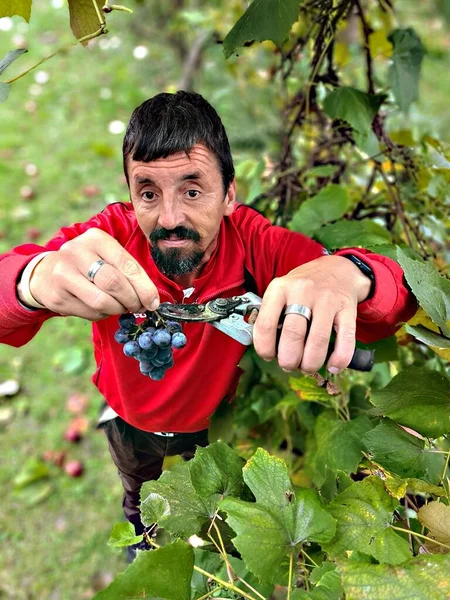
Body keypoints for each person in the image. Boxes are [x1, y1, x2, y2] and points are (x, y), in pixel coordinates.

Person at [0, 91, 417, 559]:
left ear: (229, 195)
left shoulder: (256, 245)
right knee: (141, 498)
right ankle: (143, 541)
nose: (171, 218)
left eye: (193, 190)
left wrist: (349, 273)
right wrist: (30, 280)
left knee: (219, 516)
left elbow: (393, 300)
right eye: (149, 193)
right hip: (128, 419)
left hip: (213, 428)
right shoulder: (110, 239)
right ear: (131, 193)